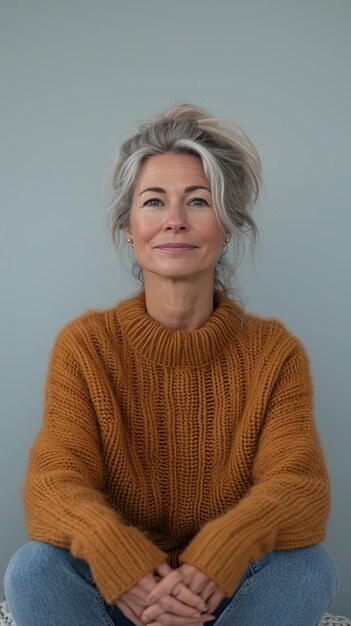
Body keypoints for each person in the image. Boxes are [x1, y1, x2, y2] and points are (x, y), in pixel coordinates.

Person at [4, 103, 339, 626]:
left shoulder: (274, 353)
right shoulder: (86, 346)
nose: (175, 221)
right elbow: (55, 480)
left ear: (227, 227)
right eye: (154, 201)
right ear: (129, 227)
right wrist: (124, 564)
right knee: (32, 569)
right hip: (118, 596)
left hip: (224, 597)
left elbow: (298, 485)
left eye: (199, 201)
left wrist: (220, 554)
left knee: (309, 569)